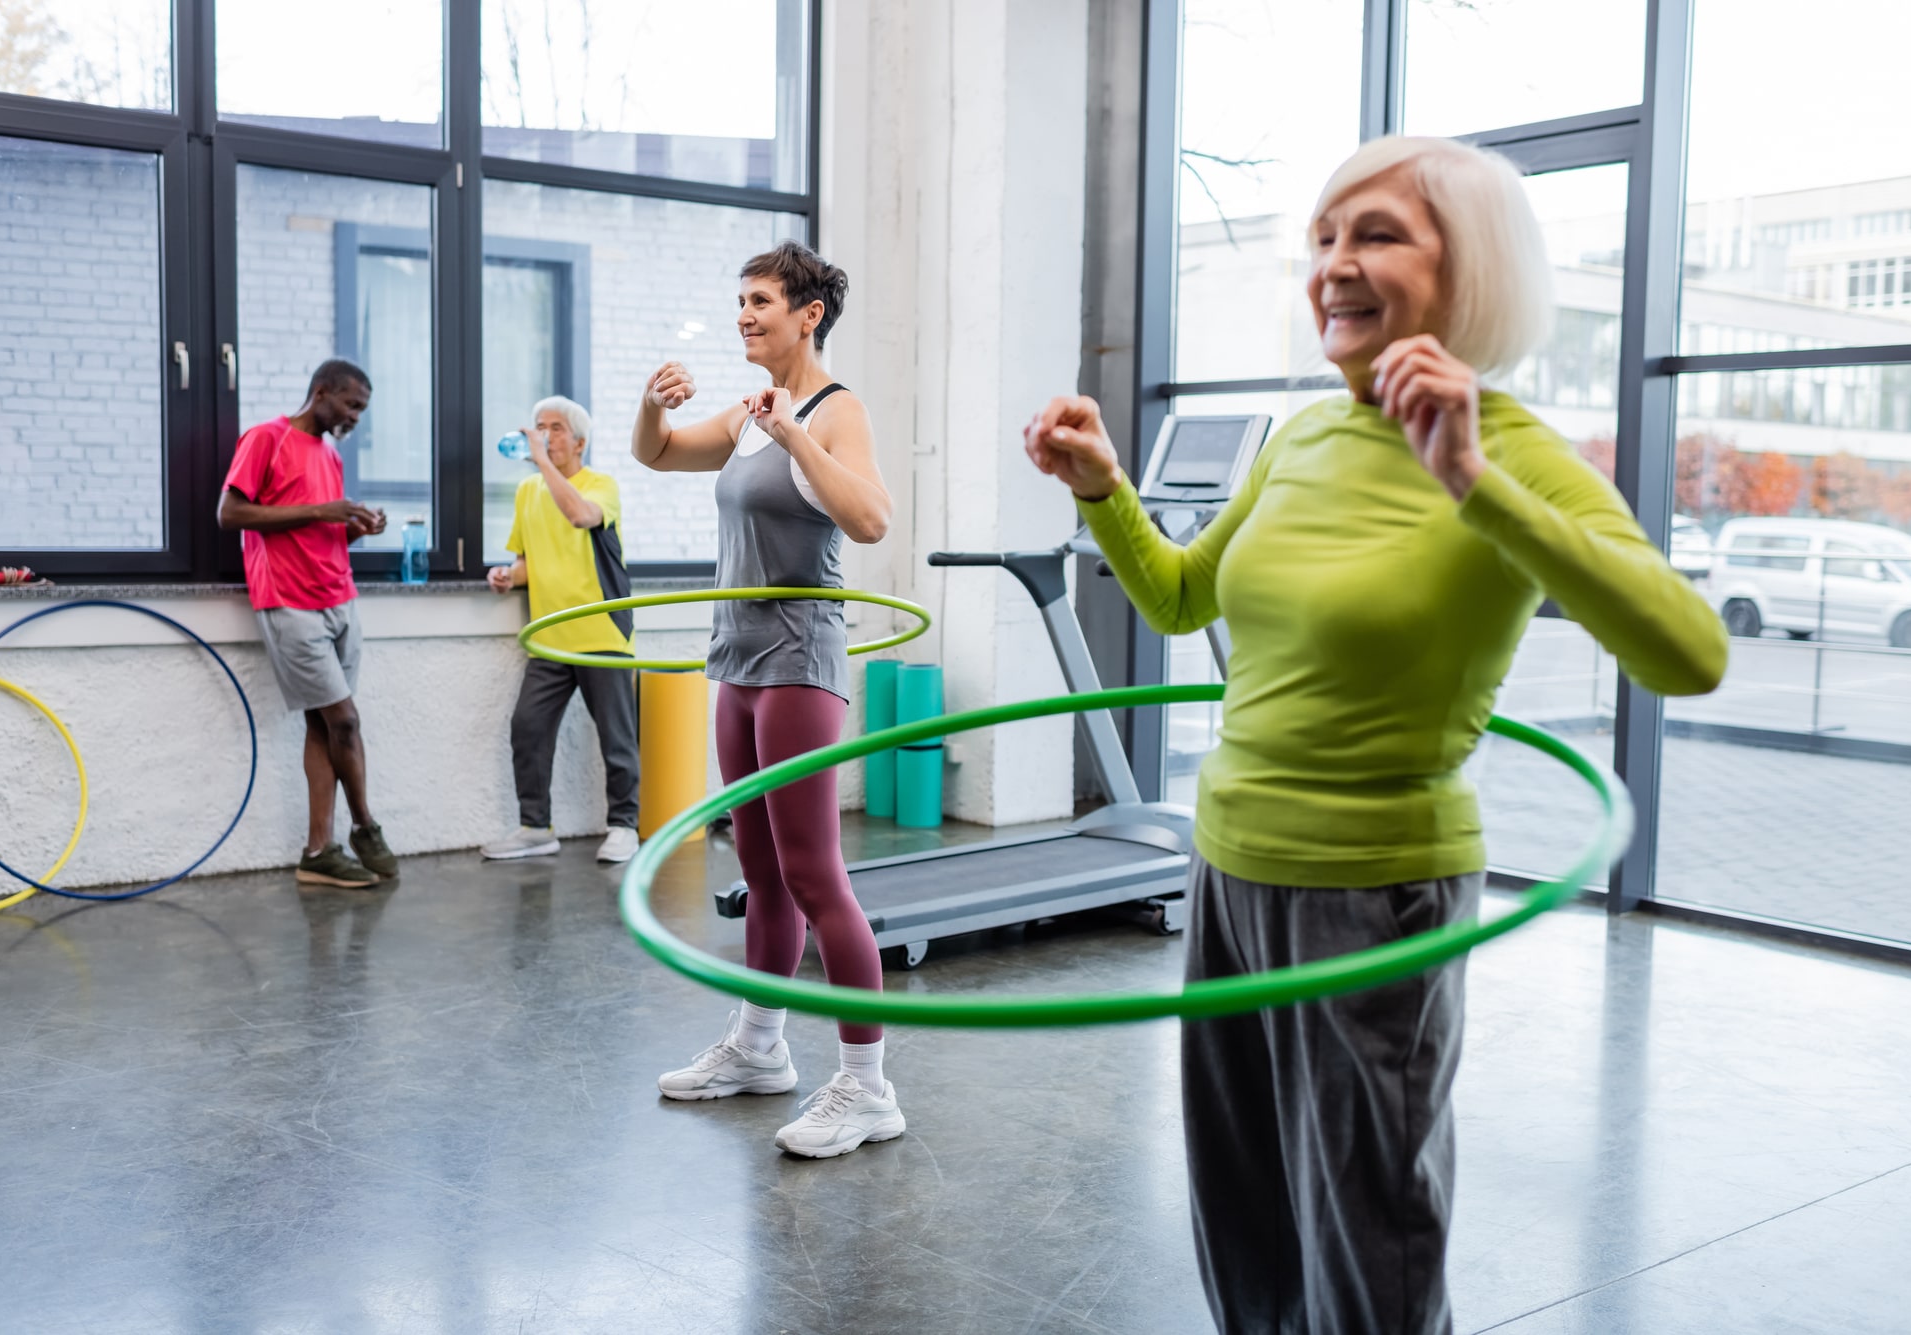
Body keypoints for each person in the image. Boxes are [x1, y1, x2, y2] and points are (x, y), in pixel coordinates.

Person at [1023, 136, 1728, 1335]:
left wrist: (1472, 483)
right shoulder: (1297, 436)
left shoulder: (1508, 453)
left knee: (1367, 1235)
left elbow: (1687, 654)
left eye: (1377, 235)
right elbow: (1186, 598)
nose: (1334, 266)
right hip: (1228, 867)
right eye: (1323, 238)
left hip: (1376, 884)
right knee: (1239, 1210)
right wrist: (1100, 489)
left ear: (1471, 271)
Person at [631, 239, 900, 1159]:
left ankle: (868, 1087)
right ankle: (757, 1048)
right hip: (736, 659)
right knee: (758, 870)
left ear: (807, 313)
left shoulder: (832, 409)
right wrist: (650, 403)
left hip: (798, 657)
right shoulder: (749, 412)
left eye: (760, 301)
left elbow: (869, 517)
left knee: (816, 872)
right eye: (740, 301)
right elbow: (659, 453)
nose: (744, 315)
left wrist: (792, 434)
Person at [219, 358, 399, 889]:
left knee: (325, 724)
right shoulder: (265, 439)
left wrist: (358, 527)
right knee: (344, 720)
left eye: (362, 410)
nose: (355, 417)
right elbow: (230, 514)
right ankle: (366, 825)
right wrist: (322, 511)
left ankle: (318, 850)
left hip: (340, 599)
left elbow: (325, 531)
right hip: (289, 603)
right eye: (351, 405)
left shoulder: (330, 455)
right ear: (321, 392)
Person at [480, 396, 642, 865]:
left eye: (554, 428)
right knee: (527, 727)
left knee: (617, 737)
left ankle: (624, 826)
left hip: (602, 634)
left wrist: (541, 464)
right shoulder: (528, 491)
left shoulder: (601, 485)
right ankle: (535, 827)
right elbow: (528, 559)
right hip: (550, 637)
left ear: (580, 443)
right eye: (539, 427)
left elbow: (580, 516)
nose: (544, 436)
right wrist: (508, 575)